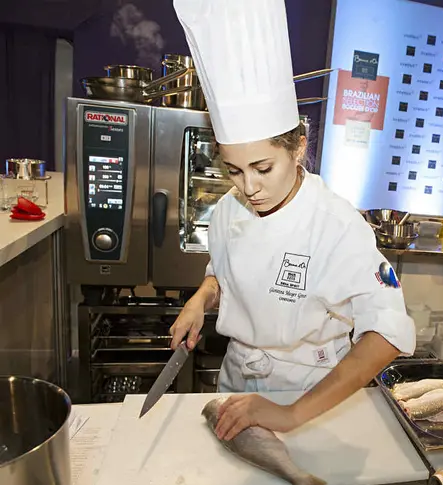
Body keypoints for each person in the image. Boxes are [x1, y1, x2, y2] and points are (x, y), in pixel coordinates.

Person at [170, 0, 415, 441]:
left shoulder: (338, 226)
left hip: (311, 400)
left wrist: (292, 414)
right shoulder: (229, 209)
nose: (248, 187)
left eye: (263, 168)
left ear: (298, 148)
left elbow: (387, 333)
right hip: (235, 386)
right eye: (234, 169)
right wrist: (201, 298)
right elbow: (225, 272)